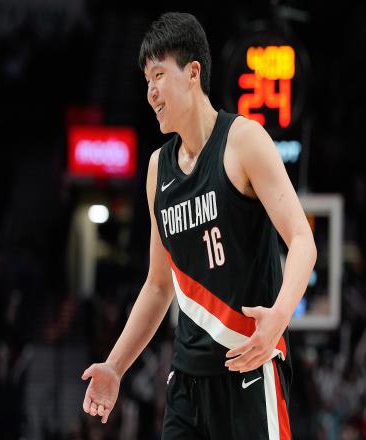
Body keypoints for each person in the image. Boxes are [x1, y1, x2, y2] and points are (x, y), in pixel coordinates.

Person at [81, 11, 316, 439]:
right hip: (187, 384)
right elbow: (158, 286)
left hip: (249, 367)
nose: (151, 92)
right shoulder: (158, 168)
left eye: (158, 75)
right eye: (146, 81)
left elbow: (302, 239)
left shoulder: (244, 140)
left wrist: (279, 317)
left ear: (193, 72)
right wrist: (115, 365)